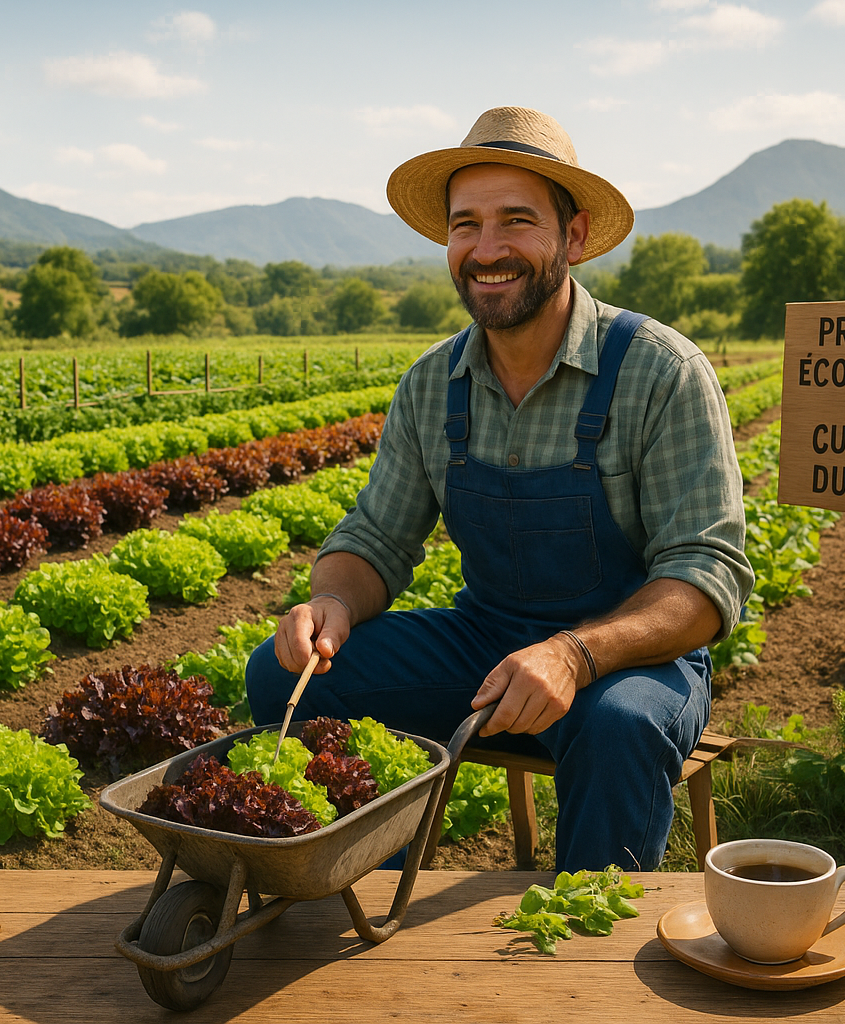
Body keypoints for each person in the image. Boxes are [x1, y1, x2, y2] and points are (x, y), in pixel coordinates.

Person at [245, 107, 754, 872]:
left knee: (621, 727)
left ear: (573, 237)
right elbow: (376, 540)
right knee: (284, 674)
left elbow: (705, 581)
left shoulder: (658, 371)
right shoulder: (432, 383)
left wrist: (573, 654)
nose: (487, 250)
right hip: (487, 642)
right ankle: (353, 904)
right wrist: (333, 603)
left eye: (517, 221)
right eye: (466, 225)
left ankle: (585, 947)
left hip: (631, 661)